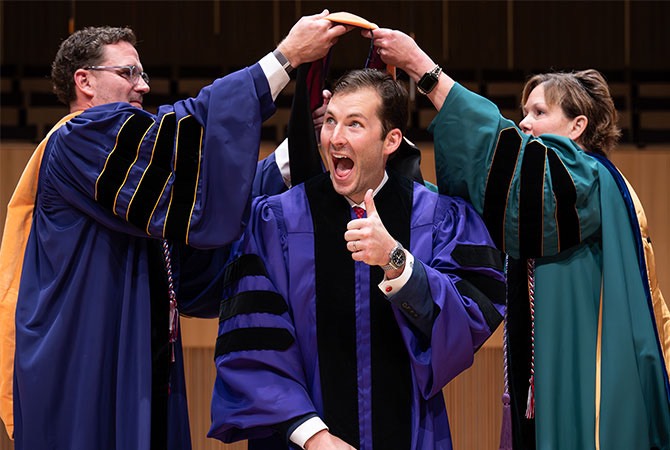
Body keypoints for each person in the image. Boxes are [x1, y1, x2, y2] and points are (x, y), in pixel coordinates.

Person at [0, 12, 350, 450]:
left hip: (138, 364)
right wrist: (285, 59)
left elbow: (200, 215)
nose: (143, 85)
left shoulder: (128, 178)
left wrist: (296, 148)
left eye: (142, 73)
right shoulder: (75, 140)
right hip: (81, 366)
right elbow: (184, 138)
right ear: (84, 82)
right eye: (128, 72)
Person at [368, 28, 670, 449]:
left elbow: (509, 164)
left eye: (539, 112)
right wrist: (381, 139)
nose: (523, 122)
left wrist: (424, 69)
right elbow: (457, 214)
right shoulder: (534, 195)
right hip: (542, 381)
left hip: (587, 383)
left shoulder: (586, 179)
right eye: (523, 111)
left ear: (578, 125)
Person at [208, 68, 506, 450]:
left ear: (391, 140)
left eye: (354, 124)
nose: (335, 137)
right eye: (330, 121)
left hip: (409, 434)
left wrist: (397, 262)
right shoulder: (277, 221)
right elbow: (252, 337)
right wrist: (311, 434)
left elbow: (469, 319)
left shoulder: (436, 217)